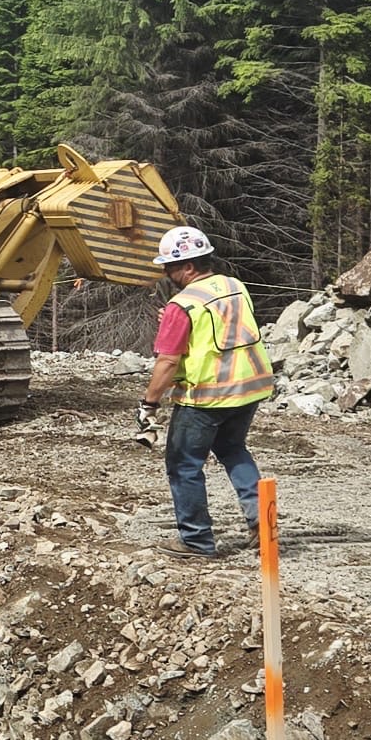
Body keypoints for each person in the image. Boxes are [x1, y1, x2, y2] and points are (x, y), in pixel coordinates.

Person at [138, 225, 274, 559]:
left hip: (206, 396)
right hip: (249, 387)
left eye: (170, 267)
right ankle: (263, 525)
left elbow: (168, 362)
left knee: (183, 465)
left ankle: (196, 541)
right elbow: (222, 324)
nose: (167, 274)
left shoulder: (182, 303)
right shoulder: (234, 286)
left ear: (188, 266)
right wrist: (174, 317)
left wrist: (149, 404)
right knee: (232, 448)